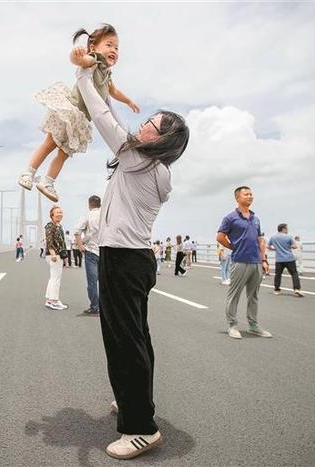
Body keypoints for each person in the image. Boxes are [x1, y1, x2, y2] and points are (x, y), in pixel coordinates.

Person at [75, 56, 189, 460]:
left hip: (124, 260)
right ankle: (133, 403)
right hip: (133, 258)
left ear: (160, 139)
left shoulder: (139, 159)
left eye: (150, 125)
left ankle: (141, 428)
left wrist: (85, 74)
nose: (141, 126)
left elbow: (102, 114)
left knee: (124, 343)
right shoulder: (152, 167)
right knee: (136, 338)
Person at [17, 24, 139, 202]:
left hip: (80, 121)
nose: (114, 50)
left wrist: (128, 101)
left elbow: (113, 92)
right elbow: (81, 62)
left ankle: (48, 181)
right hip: (70, 111)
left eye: (116, 47)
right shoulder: (94, 60)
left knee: (64, 154)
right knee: (49, 144)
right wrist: (76, 56)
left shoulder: (107, 74)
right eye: (109, 45)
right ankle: (28, 172)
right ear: (93, 47)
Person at [216, 186, 272, 340]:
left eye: (251, 194)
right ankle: (232, 325)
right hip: (239, 261)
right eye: (246, 194)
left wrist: (264, 259)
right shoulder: (230, 218)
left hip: (256, 262)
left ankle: (253, 325)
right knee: (234, 294)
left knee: (253, 295)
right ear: (237, 198)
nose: (250, 196)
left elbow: (260, 240)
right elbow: (220, 237)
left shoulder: (256, 219)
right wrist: (234, 247)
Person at [74, 195, 102, 315]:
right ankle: (107, 307)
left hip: (91, 251)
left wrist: (80, 246)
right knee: (105, 282)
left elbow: (77, 231)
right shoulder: (106, 215)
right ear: (100, 204)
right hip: (105, 252)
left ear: (89, 204)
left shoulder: (88, 215)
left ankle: (95, 307)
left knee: (92, 282)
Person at [268, 224, 304, 297]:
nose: (287, 230)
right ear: (283, 229)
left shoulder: (273, 237)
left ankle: (277, 290)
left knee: (278, 275)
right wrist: (289, 247)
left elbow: (268, 246)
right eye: (286, 228)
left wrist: (276, 249)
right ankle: (297, 289)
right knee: (294, 274)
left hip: (279, 259)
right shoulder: (289, 236)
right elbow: (295, 246)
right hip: (289, 258)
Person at [44, 206, 68, 310]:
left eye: (61, 212)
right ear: (52, 215)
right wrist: (53, 254)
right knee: (56, 279)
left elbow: (62, 243)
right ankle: (54, 301)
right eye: (57, 212)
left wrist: (65, 257)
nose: (60, 214)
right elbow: (49, 240)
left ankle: (50, 299)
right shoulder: (50, 226)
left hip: (59, 255)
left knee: (53, 278)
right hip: (54, 255)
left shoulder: (59, 226)